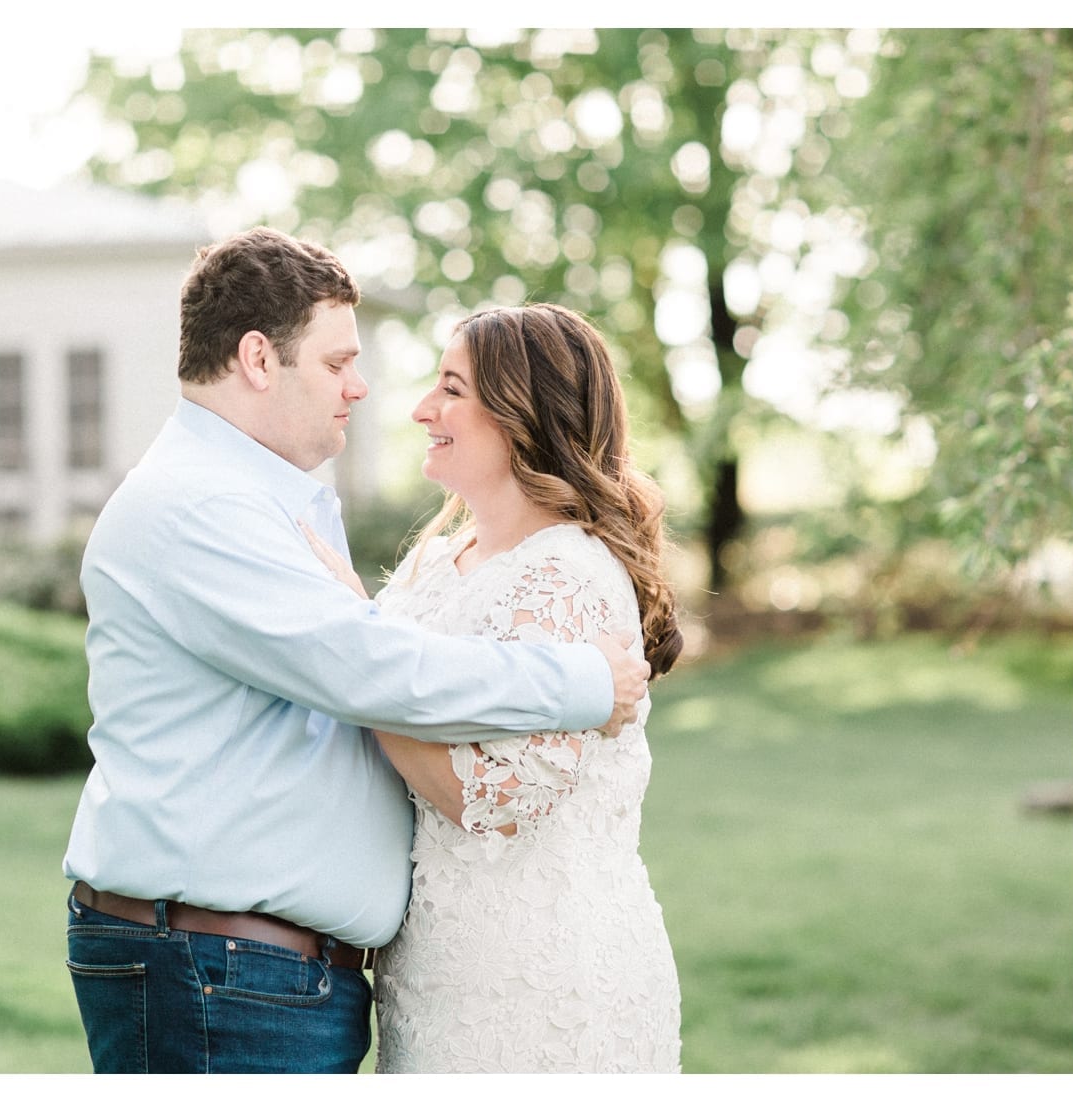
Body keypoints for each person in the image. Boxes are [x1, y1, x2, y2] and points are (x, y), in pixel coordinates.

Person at [60, 228, 652, 1074]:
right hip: (220, 976)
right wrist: (586, 681)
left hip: (251, 974)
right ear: (260, 359)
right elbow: (373, 671)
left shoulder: (263, 497)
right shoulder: (204, 508)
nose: (363, 388)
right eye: (338, 363)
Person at [304, 302, 684, 1072]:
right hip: (439, 974)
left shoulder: (567, 578)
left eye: (451, 388)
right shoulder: (440, 561)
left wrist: (355, 667)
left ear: (522, 416)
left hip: (542, 984)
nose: (420, 408)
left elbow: (492, 797)